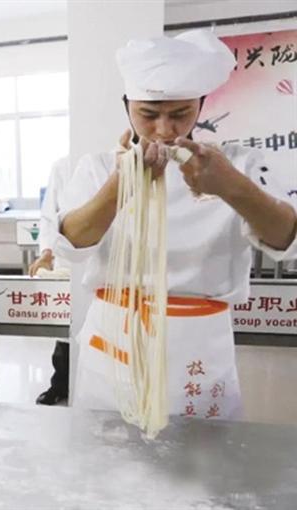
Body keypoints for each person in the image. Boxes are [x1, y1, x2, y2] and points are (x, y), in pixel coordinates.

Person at [54, 29, 297, 419]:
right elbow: (71, 243)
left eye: (180, 114)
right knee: (108, 449)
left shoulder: (238, 165)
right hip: (117, 336)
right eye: (148, 115)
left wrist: (230, 186)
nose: (165, 130)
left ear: (201, 106)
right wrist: (120, 185)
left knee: (201, 453)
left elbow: (287, 239)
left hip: (198, 341)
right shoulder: (97, 168)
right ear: (127, 106)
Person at [30, 156, 74, 406]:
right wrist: (46, 253)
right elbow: (49, 216)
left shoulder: (117, 159)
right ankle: (60, 385)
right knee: (65, 329)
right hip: (68, 262)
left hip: (106, 265)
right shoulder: (63, 167)